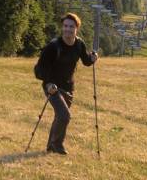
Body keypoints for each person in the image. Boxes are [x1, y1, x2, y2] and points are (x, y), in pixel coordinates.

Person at [33, 12, 99, 155]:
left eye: (71, 26)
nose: (68, 29)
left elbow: (86, 61)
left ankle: (51, 146)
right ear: (62, 27)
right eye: (65, 26)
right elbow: (39, 69)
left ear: (77, 28)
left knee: (59, 117)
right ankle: (58, 145)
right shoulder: (53, 46)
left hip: (68, 87)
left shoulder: (79, 44)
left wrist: (93, 58)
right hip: (52, 87)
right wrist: (49, 84)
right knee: (64, 115)